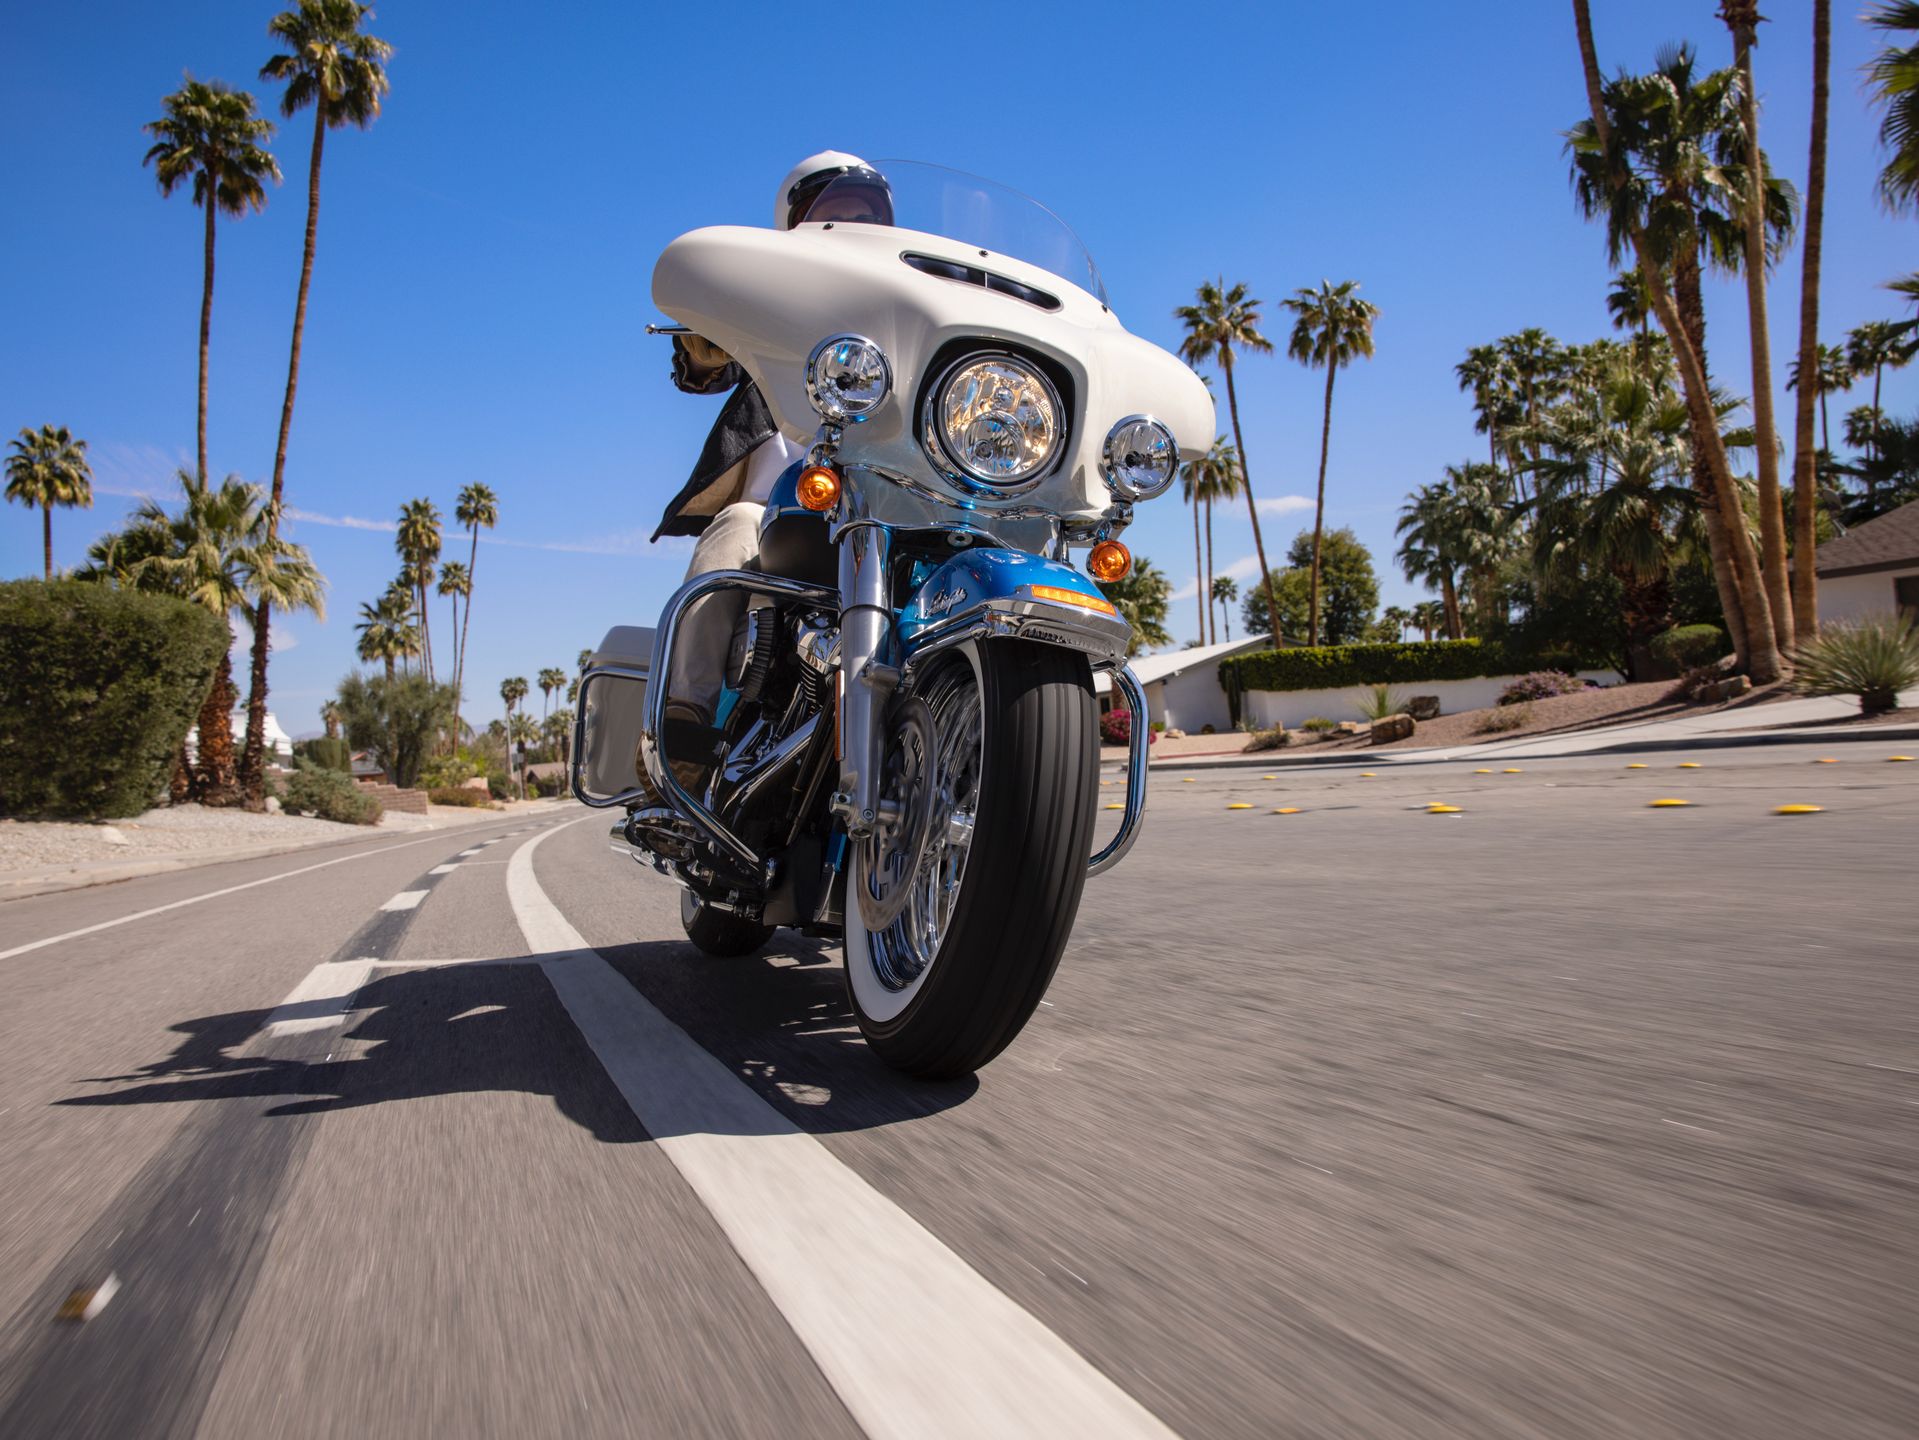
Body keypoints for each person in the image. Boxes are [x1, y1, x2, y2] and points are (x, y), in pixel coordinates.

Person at [644, 152, 893, 796]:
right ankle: (684, 724)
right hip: (774, 523)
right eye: (833, 210)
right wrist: (703, 339)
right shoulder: (770, 300)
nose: (851, 222)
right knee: (733, 527)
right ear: (796, 219)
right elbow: (705, 367)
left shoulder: (900, 310)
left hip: (873, 515)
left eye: (866, 212)